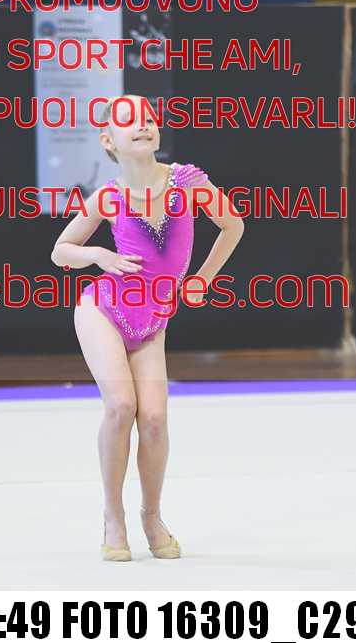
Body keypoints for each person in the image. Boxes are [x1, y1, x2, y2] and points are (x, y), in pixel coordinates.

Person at [50, 95, 244, 560]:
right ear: (108, 140)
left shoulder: (187, 182)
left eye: (149, 118)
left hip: (152, 319)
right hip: (103, 309)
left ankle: (151, 515)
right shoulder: (108, 197)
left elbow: (232, 225)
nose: (143, 124)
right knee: (122, 406)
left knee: (154, 419)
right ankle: (112, 516)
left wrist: (202, 280)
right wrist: (98, 255)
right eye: (129, 120)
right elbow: (60, 250)